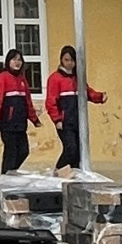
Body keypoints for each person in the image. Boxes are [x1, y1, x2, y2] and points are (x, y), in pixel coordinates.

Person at [45, 45, 105, 173]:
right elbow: (51, 102)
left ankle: (73, 176)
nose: (69, 63)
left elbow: (87, 93)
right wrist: (57, 120)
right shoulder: (55, 78)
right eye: (66, 60)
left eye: (72, 60)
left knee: (78, 152)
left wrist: (100, 97)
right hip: (65, 122)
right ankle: (58, 171)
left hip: (78, 120)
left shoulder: (78, 78)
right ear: (61, 60)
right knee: (70, 148)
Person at [0, 47, 41, 174]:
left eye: (19, 59)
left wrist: (34, 119)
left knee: (24, 151)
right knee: (11, 151)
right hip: (7, 122)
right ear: (8, 61)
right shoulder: (3, 78)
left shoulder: (22, 80)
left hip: (21, 123)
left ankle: (9, 172)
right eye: (14, 59)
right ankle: (6, 174)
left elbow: (28, 102)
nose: (17, 62)